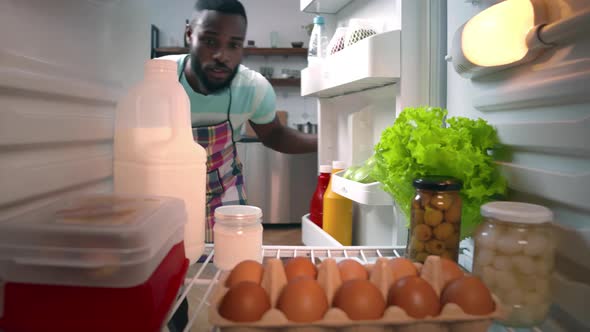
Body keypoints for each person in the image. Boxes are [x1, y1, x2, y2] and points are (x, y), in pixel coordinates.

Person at [165, 0, 317, 330]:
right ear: (189, 35)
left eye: (234, 45)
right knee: (169, 272)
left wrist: (330, 142)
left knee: (236, 270)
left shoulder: (253, 88)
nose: (222, 55)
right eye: (210, 41)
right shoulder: (161, 79)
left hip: (223, 187)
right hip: (167, 191)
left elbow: (274, 135)